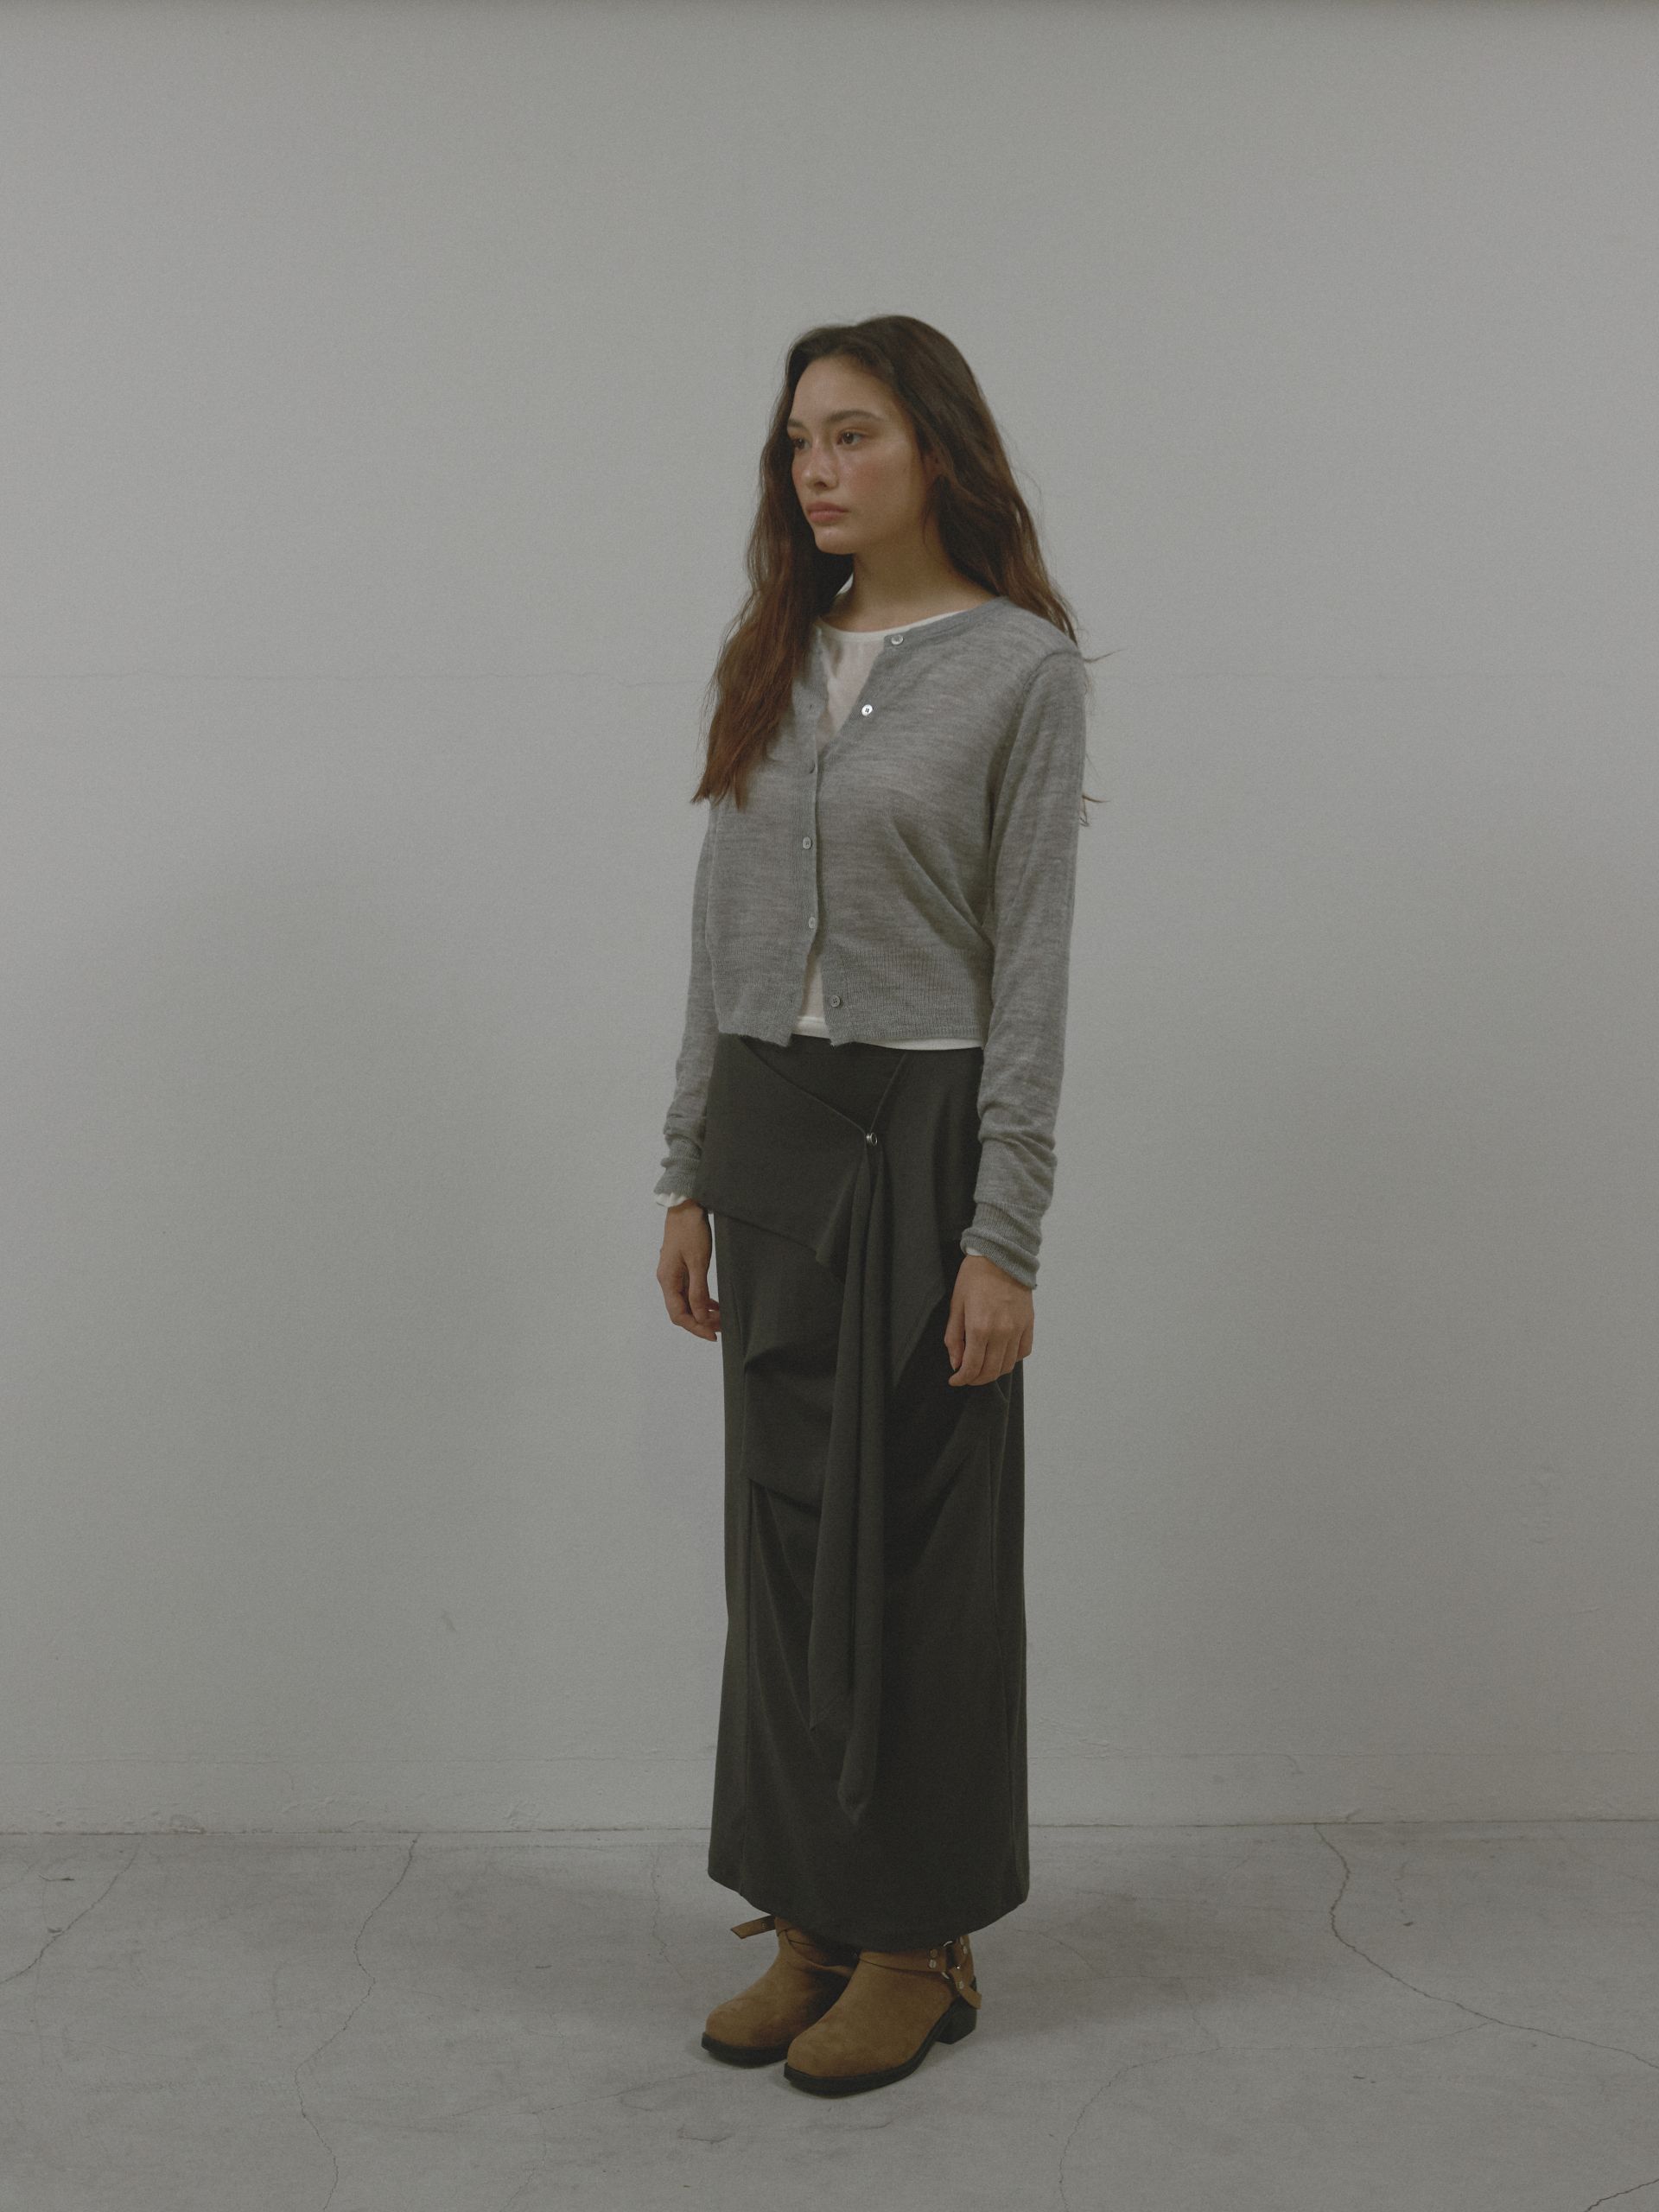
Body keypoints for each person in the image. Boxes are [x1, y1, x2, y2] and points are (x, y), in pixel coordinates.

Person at [652, 315, 1097, 2098]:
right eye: (798, 443)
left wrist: (1007, 1227)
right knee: (780, 1547)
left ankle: (918, 1938)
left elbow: (1035, 964)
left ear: (937, 451)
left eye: (851, 434)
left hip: (924, 1127)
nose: (816, 469)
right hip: (772, 1124)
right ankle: (811, 1916)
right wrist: (687, 1164)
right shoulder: (772, 648)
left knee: (918, 1546)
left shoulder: (1022, 671)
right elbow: (718, 934)